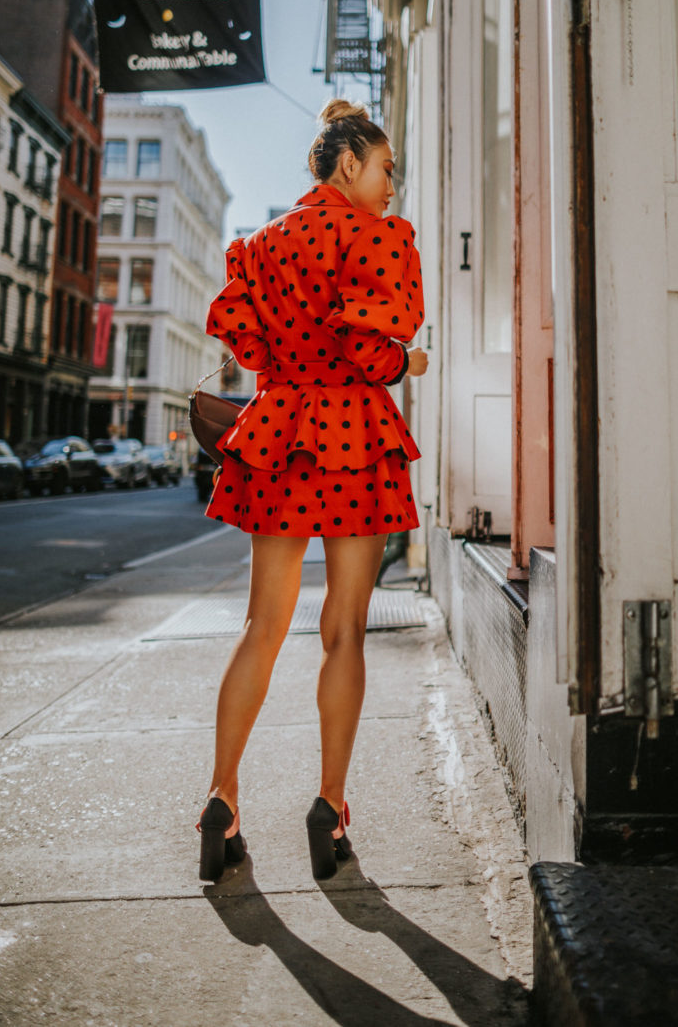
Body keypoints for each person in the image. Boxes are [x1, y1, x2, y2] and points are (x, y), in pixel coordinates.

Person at [196, 98, 428, 883]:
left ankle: (221, 798)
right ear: (349, 163)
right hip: (355, 436)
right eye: (387, 168)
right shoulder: (378, 236)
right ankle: (330, 806)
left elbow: (245, 337)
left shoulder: (260, 247)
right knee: (345, 631)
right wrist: (409, 365)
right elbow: (371, 350)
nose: (394, 185)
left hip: (281, 431)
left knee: (262, 625)